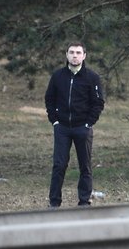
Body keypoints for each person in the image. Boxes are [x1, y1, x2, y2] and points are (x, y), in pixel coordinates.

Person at [44, 42, 105, 207]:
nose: (75, 55)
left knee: (85, 166)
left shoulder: (92, 78)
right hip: (62, 128)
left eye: (78, 53)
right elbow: (49, 99)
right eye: (71, 52)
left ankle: (84, 202)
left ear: (84, 56)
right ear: (66, 55)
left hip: (82, 128)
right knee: (59, 165)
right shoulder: (58, 76)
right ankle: (54, 203)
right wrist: (55, 121)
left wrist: (88, 123)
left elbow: (98, 103)